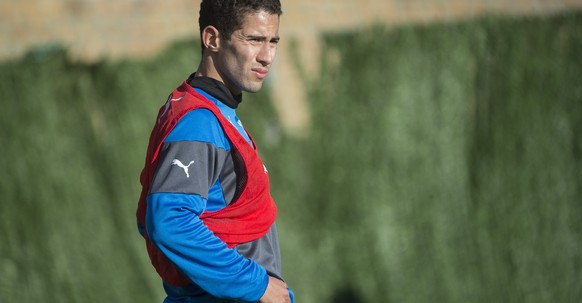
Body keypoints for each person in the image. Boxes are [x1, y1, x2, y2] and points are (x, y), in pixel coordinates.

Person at [135, 1, 293, 302]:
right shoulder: (199, 122)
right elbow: (167, 219)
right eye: (254, 39)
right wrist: (257, 285)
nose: (267, 56)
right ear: (212, 39)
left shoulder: (210, 110)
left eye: (273, 41)